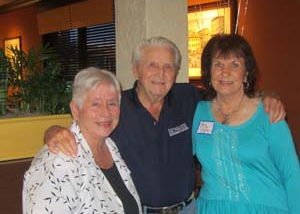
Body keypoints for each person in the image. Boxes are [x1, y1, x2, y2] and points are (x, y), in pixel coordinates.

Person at [44, 37, 285, 214]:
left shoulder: (189, 98)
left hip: (189, 209)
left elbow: (229, 94)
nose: (161, 73)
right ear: (136, 69)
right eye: (152, 65)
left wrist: (267, 97)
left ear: (176, 72)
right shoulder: (116, 107)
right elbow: (85, 127)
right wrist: (53, 131)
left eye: (168, 67)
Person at [192, 34, 300, 214]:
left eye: (235, 64)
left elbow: (292, 175)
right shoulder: (197, 111)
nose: (225, 72)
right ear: (208, 72)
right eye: (218, 64)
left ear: (246, 73)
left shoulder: (268, 114)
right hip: (211, 209)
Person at [23, 67, 142, 214]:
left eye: (112, 103)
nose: (105, 112)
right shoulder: (59, 162)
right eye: (95, 104)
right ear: (75, 110)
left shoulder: (110, 146)